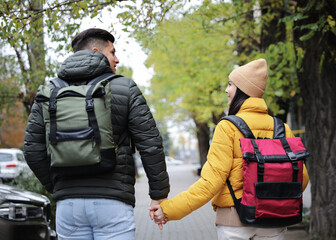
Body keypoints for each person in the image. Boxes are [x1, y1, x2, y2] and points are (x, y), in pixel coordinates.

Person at [23, 28, 170, 240]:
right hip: (113, 204)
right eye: (112, 52)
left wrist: (57, 185)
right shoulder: (124, 87)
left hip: (68, 206)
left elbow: (32, 149)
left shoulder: (48, 92)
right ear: (96, 52)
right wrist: (159, 196)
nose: (117, 59)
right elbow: (151, 145)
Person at [149, 58, 309, 240]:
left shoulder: (228, 127)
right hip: (274, 222)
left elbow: (210, 183)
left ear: (243, 89)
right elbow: (301, 179)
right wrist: (272, 200)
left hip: (235, 221)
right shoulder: (282, 129)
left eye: (231, 84)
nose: (226, 89)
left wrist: (169, 210)